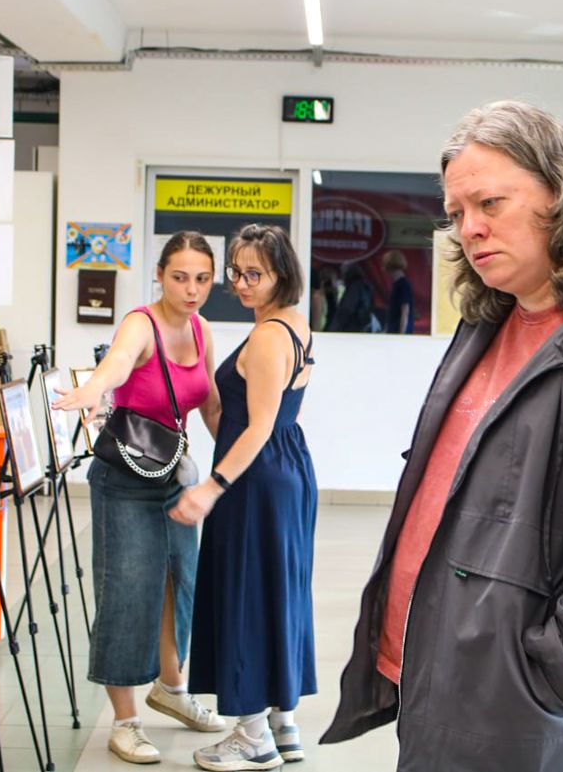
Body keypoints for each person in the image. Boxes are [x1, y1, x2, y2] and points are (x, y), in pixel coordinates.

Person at [322, 100, 563, 771]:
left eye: (490, 202)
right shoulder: (489, 321)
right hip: (445, 687)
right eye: (457, 212)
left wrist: (547, 681)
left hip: (534, 718)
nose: (470, 228)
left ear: (562, 195)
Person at [51, 231, 226, 765]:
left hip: (174, 474)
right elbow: (121, 359)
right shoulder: (141, 323)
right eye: (180, 277)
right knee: (127, 592)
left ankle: (171, 690)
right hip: (124, 479)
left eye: (202, 279)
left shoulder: (201, 328)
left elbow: (210, 403)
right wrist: (95, 388)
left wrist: (239, 463)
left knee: (180, 585)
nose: (191, 289)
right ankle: (125, 722)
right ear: (159, 275)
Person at [170, 223, 317, 771]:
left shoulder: (270, 336)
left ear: (282, 274)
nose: (242, 282)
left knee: (244, 596)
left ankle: (252, 736)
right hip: (284, 467)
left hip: (255, 478)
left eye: (255, 273)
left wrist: (212, 487)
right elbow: (247, 421)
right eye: (236, 272)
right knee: (275, 592)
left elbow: (257, 428)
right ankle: (282, 721)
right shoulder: (294, 324)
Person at [329, 261, 375, 332]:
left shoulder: (354, 288)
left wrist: (334, 328)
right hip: (362, 326)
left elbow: (347, 310)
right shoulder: (366, 287)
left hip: (351, 327)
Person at [382, 249, 414, 333]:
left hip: (398, 332)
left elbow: (405, 311)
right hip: (393, 331)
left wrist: (401, 334)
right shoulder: (396, 284)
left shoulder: (403, 285)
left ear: (390, 267)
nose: (383, 269)